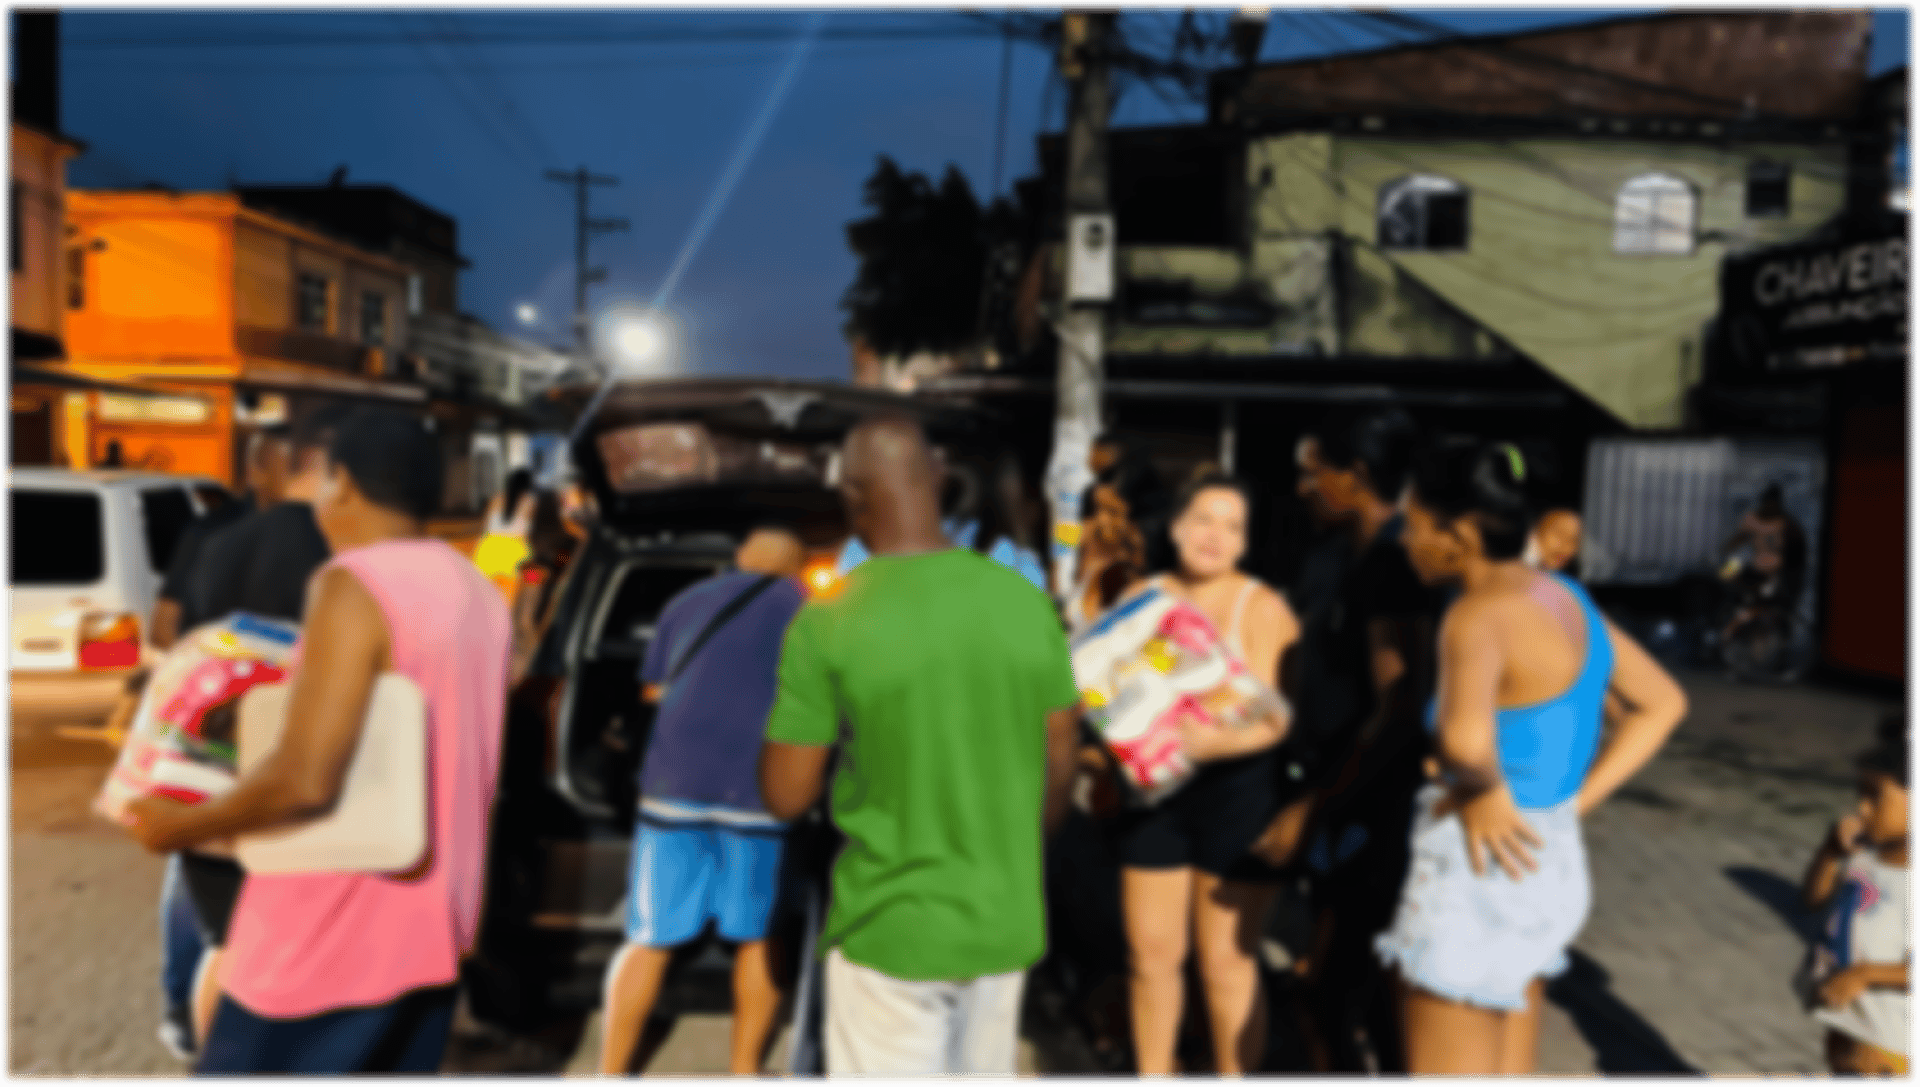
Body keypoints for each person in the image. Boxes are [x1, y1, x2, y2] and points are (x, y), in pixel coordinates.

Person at [120, 405, 511, 1076]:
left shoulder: (354, 584)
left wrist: (181, 824)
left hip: (326, 941)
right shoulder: (474, 589)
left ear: (346, 485)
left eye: (326, 485)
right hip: (433, 930)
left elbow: (307, 776)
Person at [759, 416, 1081, 1079]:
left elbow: (785, 795)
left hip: (889, 925)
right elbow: (1059, 759)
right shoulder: (1024, 600)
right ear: (936, 479)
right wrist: (1016, 852)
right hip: (1003, 917)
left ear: (851, 494)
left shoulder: (828, 620)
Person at [1376, 438, 1688, 1076]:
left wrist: (1486, 787)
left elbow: (1463, 740)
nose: (1404, 540)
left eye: (1413, 524)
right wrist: (1576, 802)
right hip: (1547, 857)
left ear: (1458, 534)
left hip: (1479, 859)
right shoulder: (1564, 598)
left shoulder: (1477, 614)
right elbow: (1662, 702)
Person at [1255, 409, 1439, 1074]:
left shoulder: (1392, 561)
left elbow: (1398, 706)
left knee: (1335, 995)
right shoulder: (1334, 552)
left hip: (1376, 809)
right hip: (1335, 791)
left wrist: (1313, 808)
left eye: (1315, 472)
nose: (1305, 486)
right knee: (1350, 997)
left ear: (1355, 475)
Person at [1101, 473, 1297, 1080]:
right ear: (1177, 527)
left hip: (1235, 794)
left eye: (1232, 526)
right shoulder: (1140, 595)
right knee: (1151, 956)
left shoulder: (1260, 606)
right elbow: (1106, 685)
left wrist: (1214, 743)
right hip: (1154, 793)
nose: (1216, 536)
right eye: (1204, 519)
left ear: (1245, 544)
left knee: (1224, 964)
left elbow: (1275, 719)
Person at [163, 407, 347, 1052]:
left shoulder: (220, 545)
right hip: (302, 777)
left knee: (230, 944)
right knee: (309, 948)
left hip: (212, 766)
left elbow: (180, 644)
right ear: (324, 470)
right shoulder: (343, 552)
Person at [598, 525, 809, 1078]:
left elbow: (653, 688)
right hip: (760, 796)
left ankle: (613, 1072)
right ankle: (743, 1071)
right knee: (759, 937)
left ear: (741, 557)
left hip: (674, 790)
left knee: (649, 939)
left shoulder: (685, 602)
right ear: (799, 565)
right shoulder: (810, 611)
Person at [1799, 714, 1915, 1082]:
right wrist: (1829, 853)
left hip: (1887, 1041)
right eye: (1859, 794)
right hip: (1846, 1021)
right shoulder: (1862, 853)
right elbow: (1813, 900)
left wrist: (1864, 975)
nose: (1861, 809)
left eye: (1875, 797)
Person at [152, 426, 291, 650]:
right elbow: (163, 628)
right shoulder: (209, 535)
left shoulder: (330, 534)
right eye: (293, 469)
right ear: (256, 474)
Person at [1525, 509, 1583, 574]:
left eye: (1573, 541)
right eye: (1560, 534)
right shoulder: (1517, 567)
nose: (1568, 549)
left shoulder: (1564, 581)